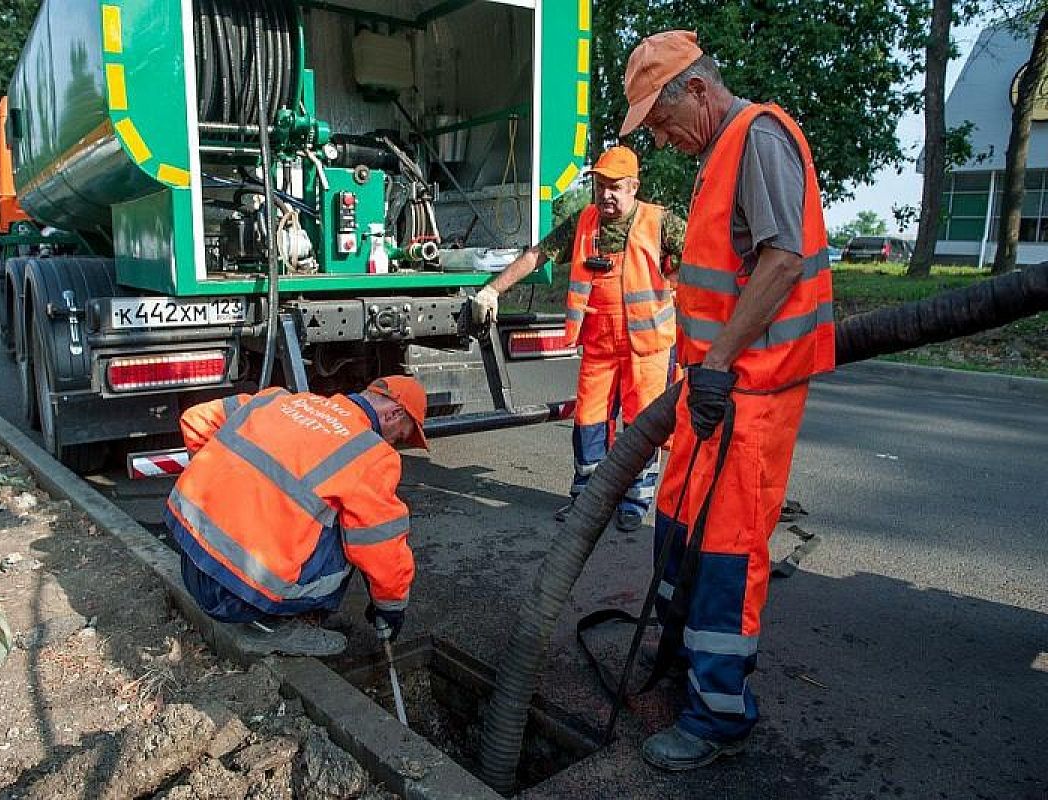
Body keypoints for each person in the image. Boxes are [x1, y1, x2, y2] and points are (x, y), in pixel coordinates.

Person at [619, 31, 834, 769]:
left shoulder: (759, 138)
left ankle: (719, 715)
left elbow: (783, 259)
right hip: (714, 391)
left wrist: (714, 364)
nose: (661, 137)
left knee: (725, 552)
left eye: (660, 121)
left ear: (699, 91)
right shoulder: (721, 152)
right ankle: (684, 664)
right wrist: (704, 373)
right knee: (678, 524)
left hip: (751, 395)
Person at [473, 146, 685, 532]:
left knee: (641, 426)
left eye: (615, 187)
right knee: (588, 421)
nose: (606, 194)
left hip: (649, 348)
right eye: (600, 185)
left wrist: (681, 293)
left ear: (634, 187)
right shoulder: (584, 222)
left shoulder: (661, 223)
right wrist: (493, 290)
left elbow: (702, 263)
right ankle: (587, 498)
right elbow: (538, 255)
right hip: (600, 347)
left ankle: (635, 500)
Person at [164, 376, 429, 657]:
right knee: (353, 528)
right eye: (399, 436)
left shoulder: (276, 400)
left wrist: (225, 489)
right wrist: (390, 608)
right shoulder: (372, 455)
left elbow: (195, 420)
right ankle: (274, 626)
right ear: (394, 414)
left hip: (193, 566)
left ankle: (271, 613)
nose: (393, 444)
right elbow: (382, 549)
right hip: (239, 599)